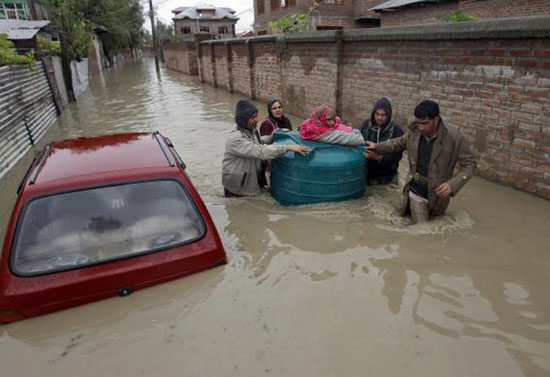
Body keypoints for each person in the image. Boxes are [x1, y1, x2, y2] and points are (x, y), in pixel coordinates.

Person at [365, 100, 476, 223]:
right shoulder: (414, 133)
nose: (421, 127)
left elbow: (470, 164)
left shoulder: (454, 138)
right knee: (422, 228)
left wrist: (452, 185)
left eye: (425, 123)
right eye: (418, 123)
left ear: (436, 120)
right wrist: (376, 146)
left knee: (436, 222)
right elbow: (397, 143)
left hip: (438, 193)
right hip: (416, 188)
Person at [222, 100, 310, 197]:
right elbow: (260, 151)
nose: (256, 120)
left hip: (253, 179)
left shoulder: (250, 129)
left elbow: (258, 141)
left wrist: (273, 135)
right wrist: (287, 147)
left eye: (256, 116)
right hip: (238, 186)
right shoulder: (235, 139)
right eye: (252, 117)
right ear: (243, 119)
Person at [361, 98, 404, 185]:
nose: (380, 118)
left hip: (386, 176)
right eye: (377, 114)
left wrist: (378, 157)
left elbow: (397, 156)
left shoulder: (396, 131)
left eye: (383, 115)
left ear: (388, 115)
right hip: (367, 173)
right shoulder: (366, 126)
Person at [299, 105, 364, 146]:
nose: (333, 123)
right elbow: (359, 139)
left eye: (334, 118)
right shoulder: (326, 133)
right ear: (320, 119)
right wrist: (355, 131)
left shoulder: (307, 124)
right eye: (329, 119)